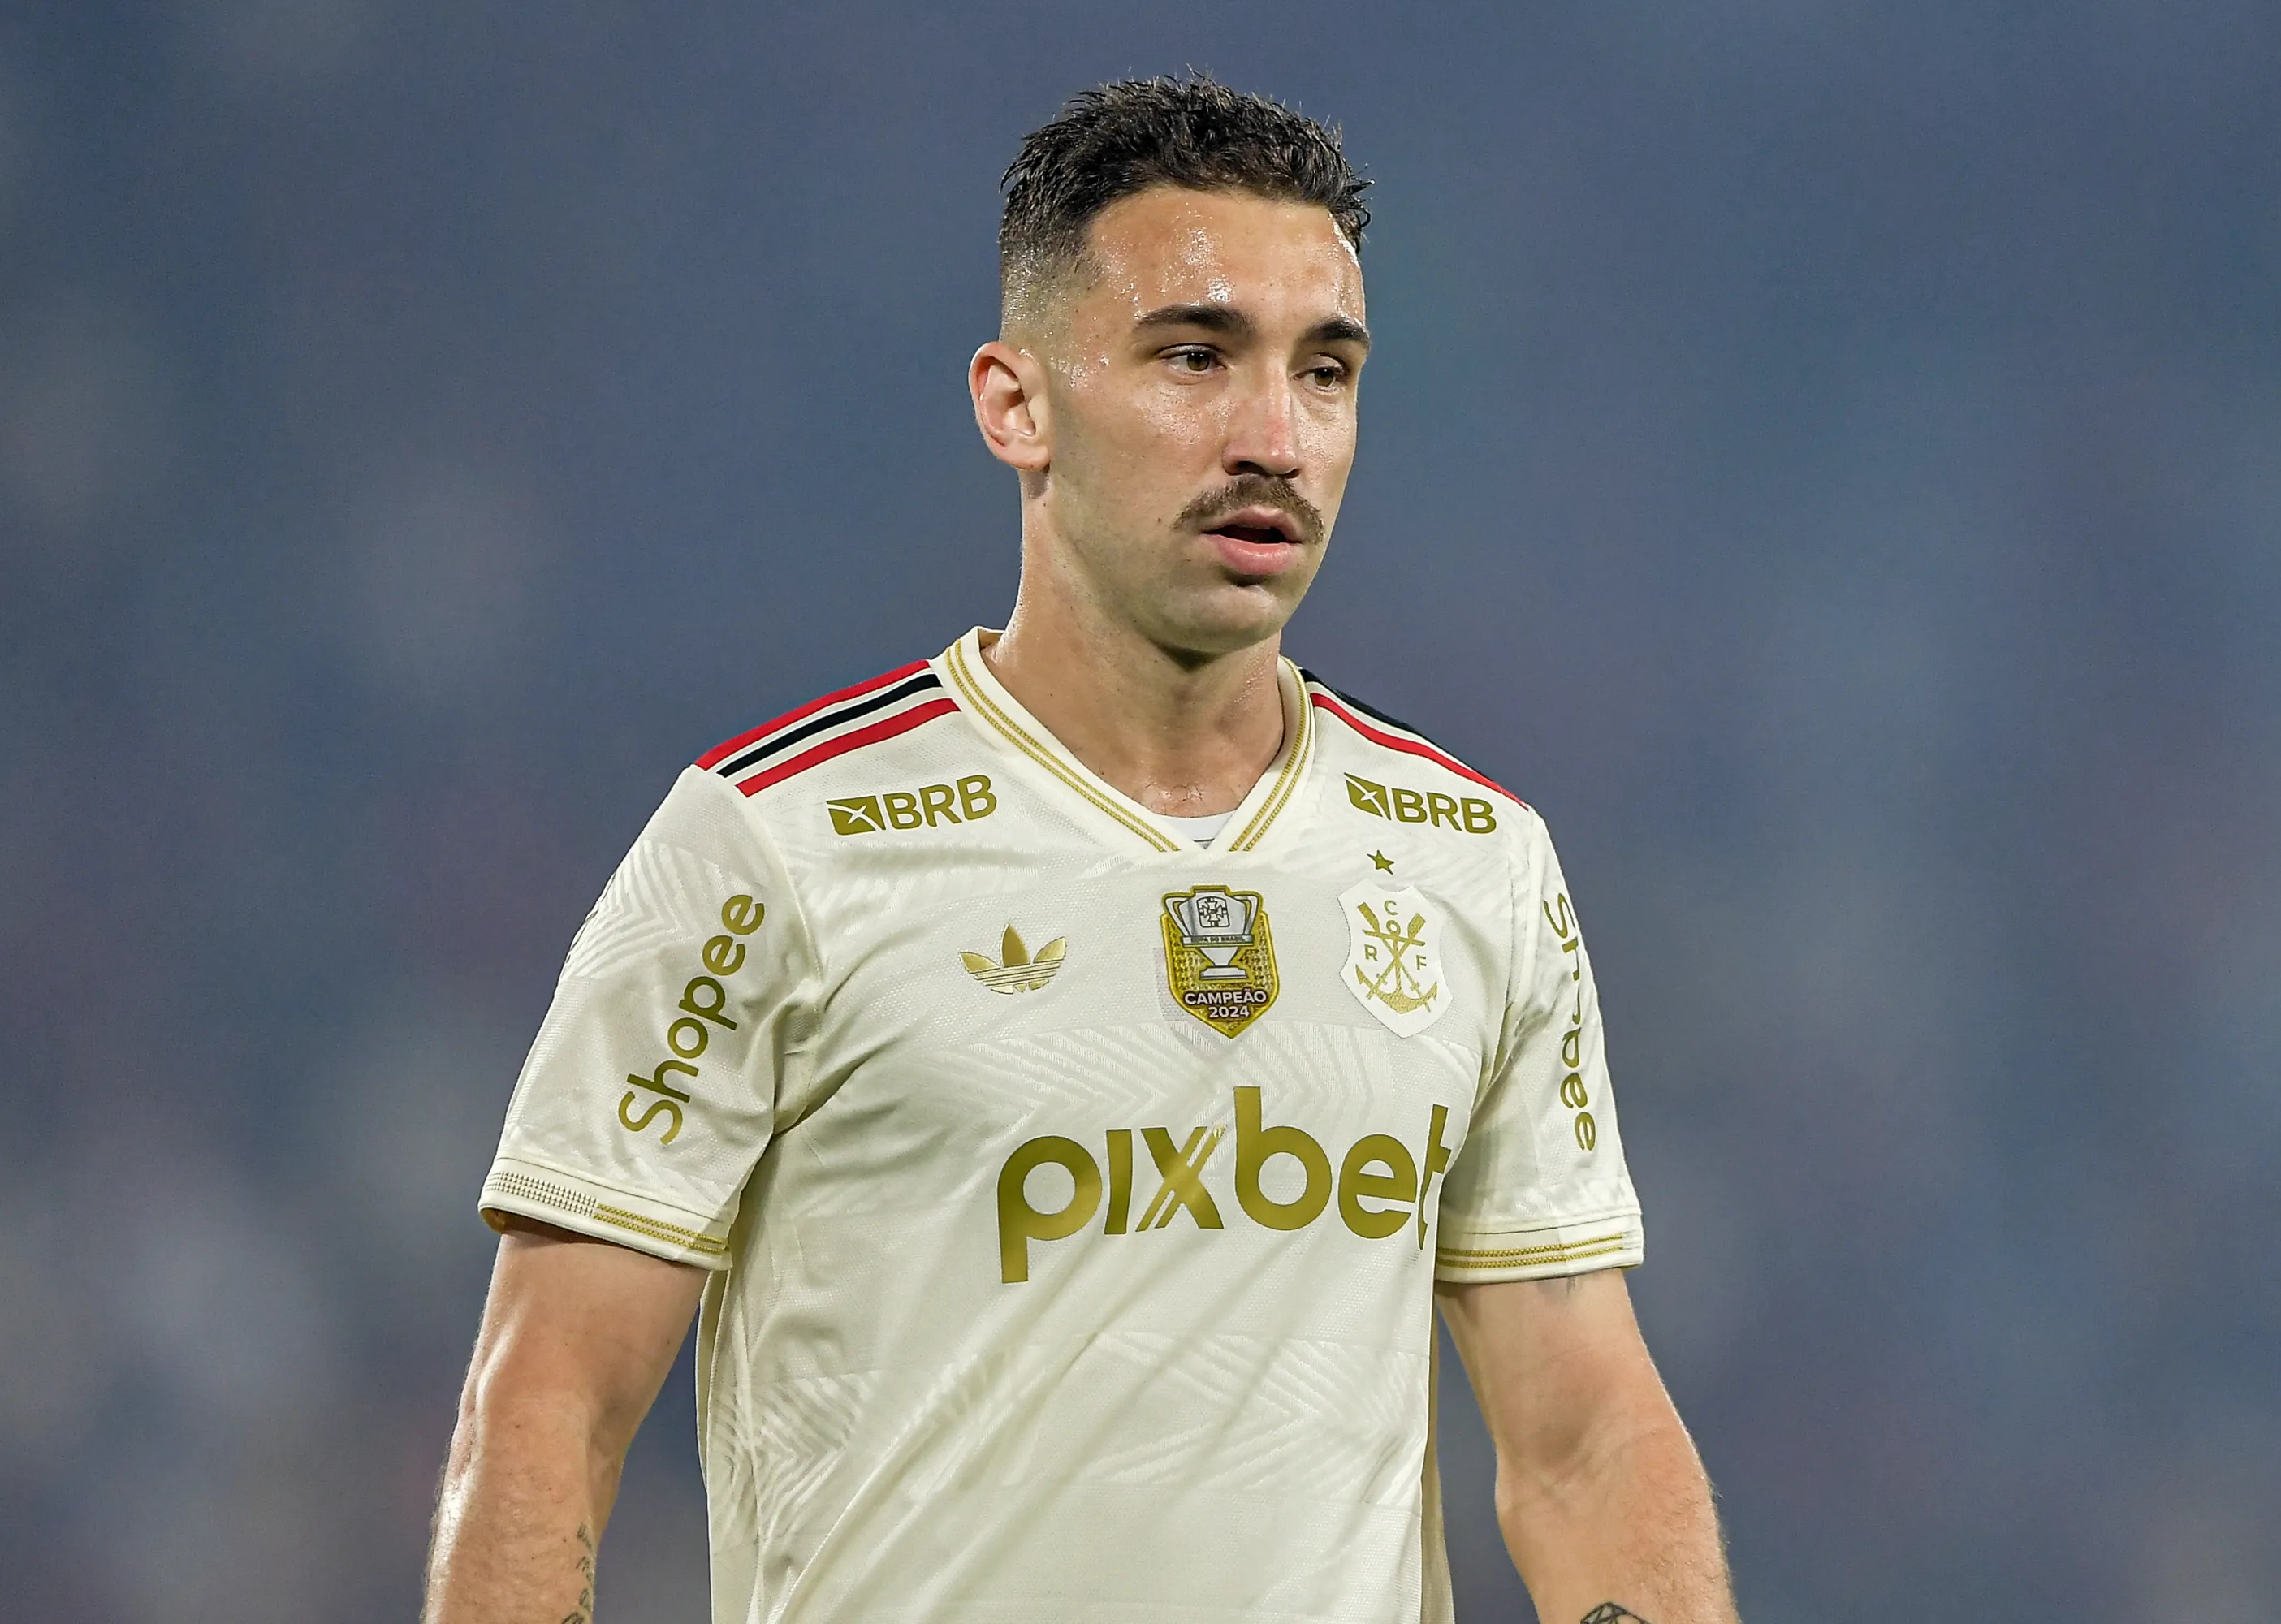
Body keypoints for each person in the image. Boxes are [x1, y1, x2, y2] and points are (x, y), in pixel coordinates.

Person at [422, 75, 1735, 1624]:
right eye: (1196, 357)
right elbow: (546, 1410)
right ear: (1016, 405)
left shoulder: (1474, 860)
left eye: (1325, 374)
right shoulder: (773, 844)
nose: (1275, 438)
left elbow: (1584, 1441)